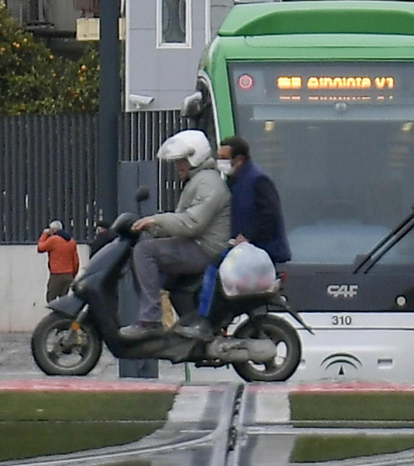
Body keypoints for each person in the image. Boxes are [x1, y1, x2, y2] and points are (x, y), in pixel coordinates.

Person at [118, 130, 230, 341]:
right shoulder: (199, 180)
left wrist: (156, 221)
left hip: (205, 249)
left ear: (195, 158)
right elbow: (182, 220)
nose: (178, 166)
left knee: (144, 252)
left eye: (182, 161)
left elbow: (191, 223)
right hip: (197, 245)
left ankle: (150, 320)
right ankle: (189, 323)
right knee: (158, 264)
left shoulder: (208, 182)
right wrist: (151, 226)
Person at [179, 135, 291, 341]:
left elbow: (270, 214)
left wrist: (247, 237)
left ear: (238, 159)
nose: (219, 161)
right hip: (246, 246)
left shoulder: (258, 179)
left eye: (223, 157)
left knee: (214, 267)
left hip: (260, 248)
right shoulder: (235, 179)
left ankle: (204, 322)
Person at [37, 220, 80, 302]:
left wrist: (45, 234)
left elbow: (40, 248)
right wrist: (73, 274)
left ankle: (54, 314)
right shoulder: (71, 241)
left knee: (51, 297)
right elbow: (76, 261)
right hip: (69, 274)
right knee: (64, 298)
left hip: (57, 274)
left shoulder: (53, 240)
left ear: (53, 230)